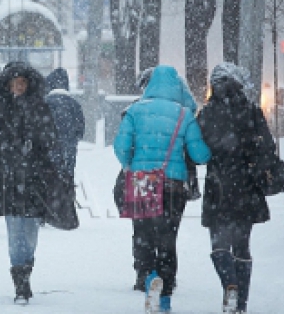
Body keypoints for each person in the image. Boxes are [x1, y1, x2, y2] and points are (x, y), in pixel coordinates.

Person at [113, 65, 211, 313]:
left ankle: (148, 279)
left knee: (144, 234)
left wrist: (130, 165)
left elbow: (121, 146)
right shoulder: (184, 114)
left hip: (142, 180)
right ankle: (165, 296)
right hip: (173, 184)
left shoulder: (135, 110)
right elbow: (199, 154)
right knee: (168, 238)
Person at [197, 62, 275, 314]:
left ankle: (229, 284)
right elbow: (267, 147)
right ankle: (240, 304)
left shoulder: (207, 114)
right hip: (247, 186)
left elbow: (197, 150)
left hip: (218, 185)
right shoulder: (252, 111)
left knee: (219, 244)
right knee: (242, 245)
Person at [0, 61, 59, 303]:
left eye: (22, 83)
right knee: (14, 230)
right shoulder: (1, 109)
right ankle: (20, 282)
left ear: (29, 85)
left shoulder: (41, 108)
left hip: (33, 178)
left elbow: (51, 140)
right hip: (9, 178)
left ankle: (25, 271)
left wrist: (34, 144)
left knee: (29, 232)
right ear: (8, 85)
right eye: (14, 83)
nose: (18, 87)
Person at [44, 68, 85, 180]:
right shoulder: (74, 104)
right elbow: (80, 131)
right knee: (66, 179)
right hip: (68, 151)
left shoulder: (44, 103)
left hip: (47, 152)